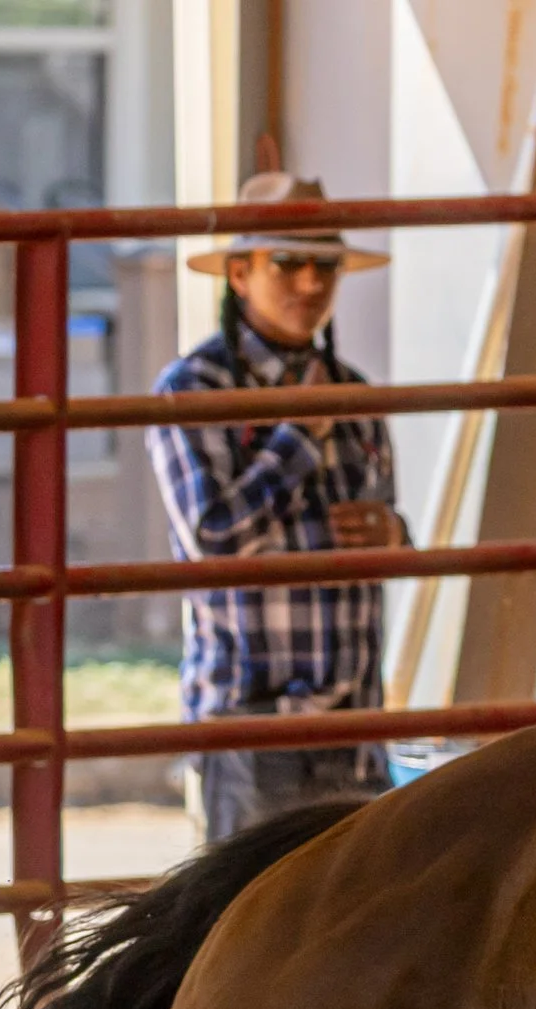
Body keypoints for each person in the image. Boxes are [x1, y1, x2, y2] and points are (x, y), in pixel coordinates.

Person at [147, 171, 404, 843]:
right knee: (252, 924)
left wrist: (394, 533)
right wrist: (297, 437)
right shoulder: (191, 393)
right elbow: (214, 542)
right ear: (240, 273)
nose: (310, 283)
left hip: (355, 721)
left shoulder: (357, 395)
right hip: (253, 721)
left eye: (325, 265)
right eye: (287, 263)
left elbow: (384, 527)